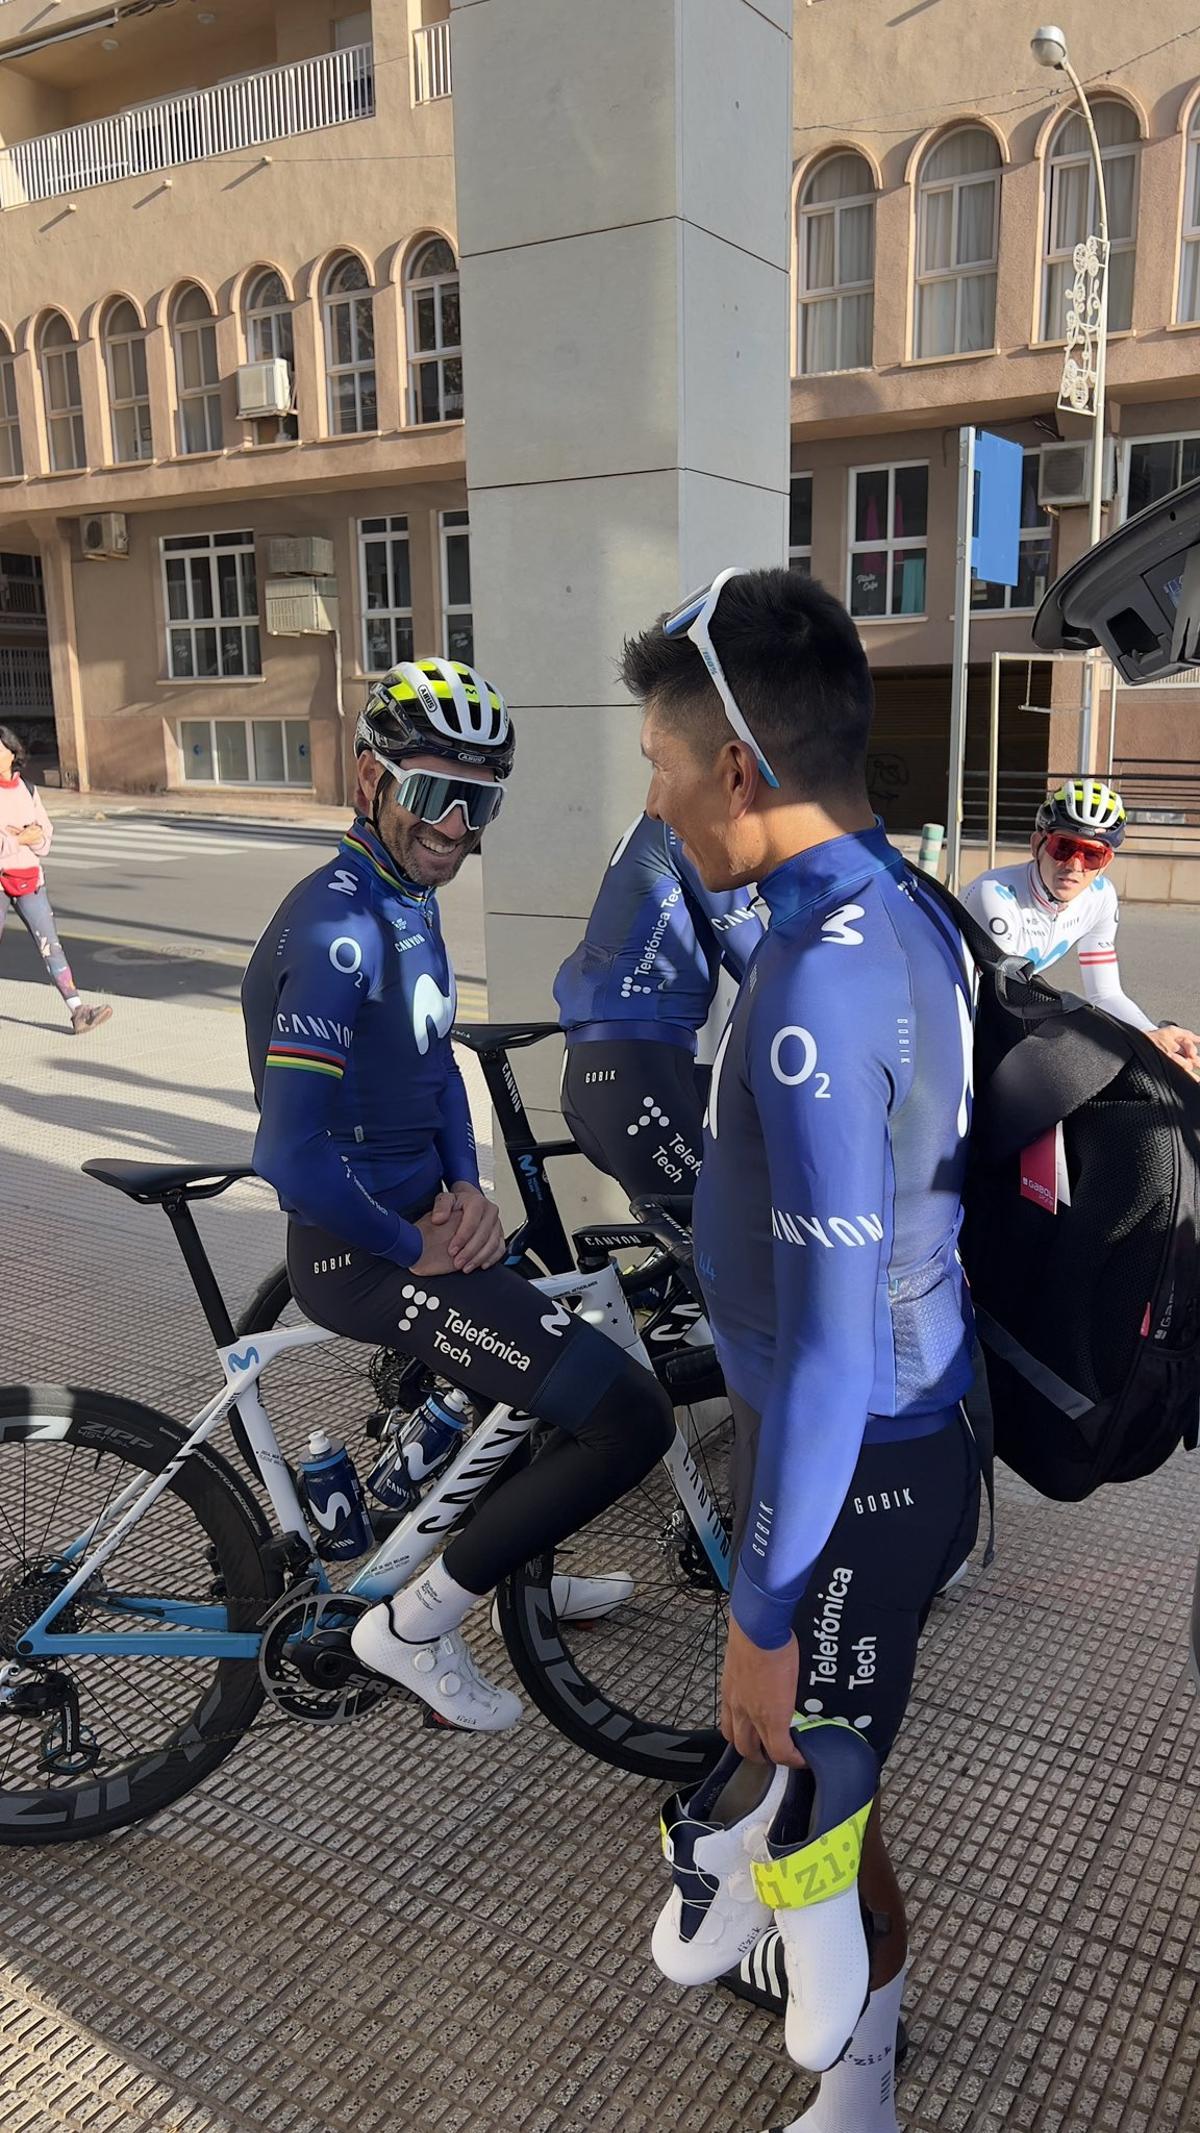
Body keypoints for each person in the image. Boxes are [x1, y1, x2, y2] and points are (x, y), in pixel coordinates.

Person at [623, 568, 982, 2133]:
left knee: (814, 1753)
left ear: (739, 772)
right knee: (816, 1754)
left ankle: (862, 2071)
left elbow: (836, 1346)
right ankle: (811, 1951)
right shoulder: (895, 904)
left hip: (863, 1448)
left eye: (657, 764)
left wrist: (761, 1609)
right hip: (890, 1431)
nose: (655, 796)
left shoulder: (821, 982)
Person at [241, 658, 673, 1732]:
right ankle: (416, 1626)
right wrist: (413, 1240)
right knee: (629, 1416)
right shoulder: (341, 929)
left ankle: (511, 1559)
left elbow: (433, 1071)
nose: (455, 824)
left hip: (414, 1226)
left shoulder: (404, 899)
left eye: (479, 802)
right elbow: (290, 1156)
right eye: (432, 791)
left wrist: (468, 1192)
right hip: (360, 1252)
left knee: (541, 1369)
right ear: (367, 782)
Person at [553, 813, 763, 1201]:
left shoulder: (668, 818)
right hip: (631, 1071)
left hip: (629, 1065)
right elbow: (755, 953)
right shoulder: (690, 821)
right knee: (731, 1233)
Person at [962, 780, 1200, 1068]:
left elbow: (1105, 993)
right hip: (954, 1011)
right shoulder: (996, 894)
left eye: (1091, 855)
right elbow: (1011, 999)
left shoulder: (1100, 898)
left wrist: (1150, 1033)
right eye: (1064, 847)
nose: (1075, 866)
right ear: (1038, 844)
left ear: (1106, 862)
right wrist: (1138, 1040)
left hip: (996, 1015)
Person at [0, 724, 111, 1038]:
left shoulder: (28, 790)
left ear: (12, 752)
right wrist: (21, 839)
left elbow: (45, 838)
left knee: (52, 947)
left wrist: (26, 838)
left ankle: (78, 1011)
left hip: (30, 881)